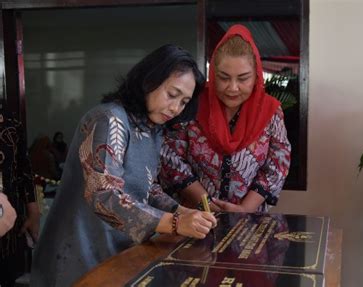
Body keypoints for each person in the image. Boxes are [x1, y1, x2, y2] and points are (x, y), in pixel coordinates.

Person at [31, 44, 217, 287]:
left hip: (118, 251)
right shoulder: (109, 119)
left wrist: (182, 211)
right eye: (172, 94)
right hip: (79, 253)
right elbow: (103, 194)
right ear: (148, 81)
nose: (175, 108)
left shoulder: (152, 129)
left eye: (183, 102)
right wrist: (175, 223)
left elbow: (147, 189)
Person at [160, 24, 291, 213]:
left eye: (243, 78)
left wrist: (244, 209)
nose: (233, 87)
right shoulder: (192, 103)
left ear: (256, 76)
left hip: (249, 220)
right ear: (212, 74)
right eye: (223, 77)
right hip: (193, 216)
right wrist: (206, 204)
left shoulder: (270, 111)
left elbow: (278, 164)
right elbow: (170, 157)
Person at [0, 100, 40, 287]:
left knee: (8, 276)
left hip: (9, 226)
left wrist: (33, 212)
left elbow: (24, 169)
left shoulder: (11, 121)